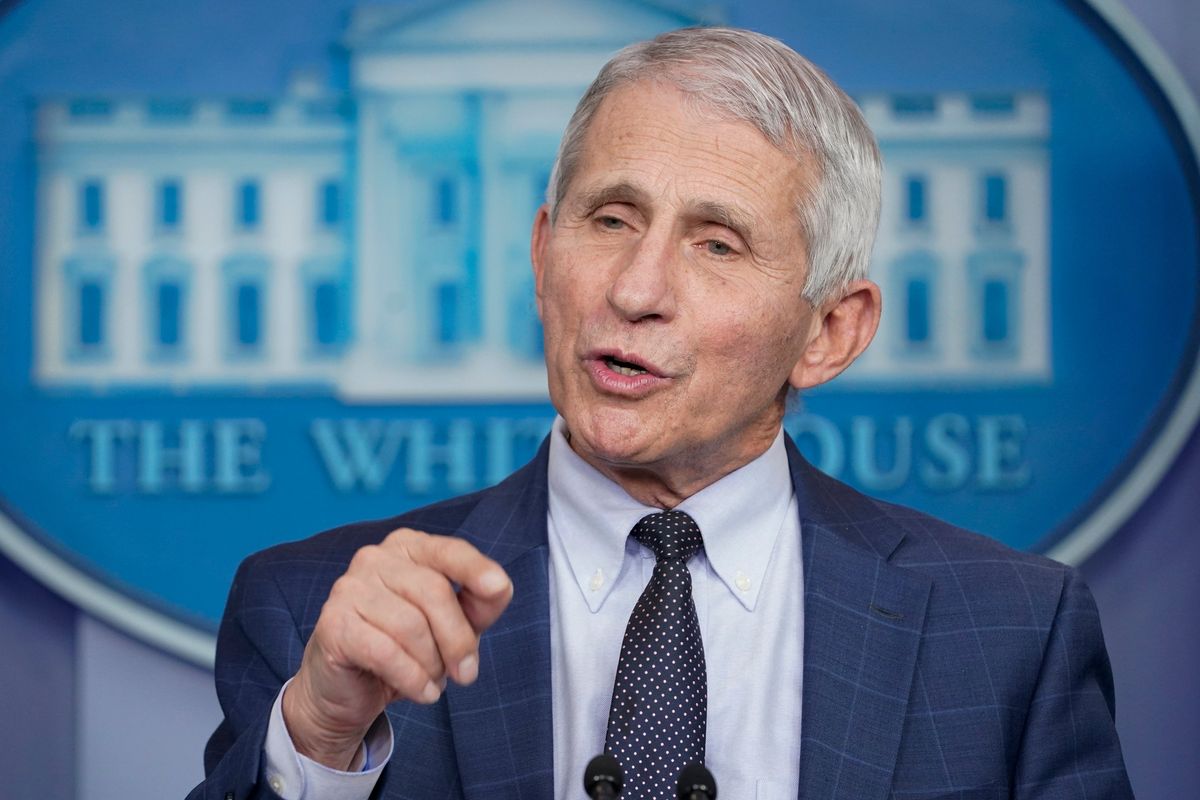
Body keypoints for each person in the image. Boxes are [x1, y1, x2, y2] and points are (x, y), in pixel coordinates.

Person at [189, 26, 1133, 800]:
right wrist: (321, 738)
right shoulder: (313, 614)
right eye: (611, 220)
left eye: (717, 245)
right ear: (542, 256)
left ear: (830, 332)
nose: (635, 290)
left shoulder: (1011, 632)